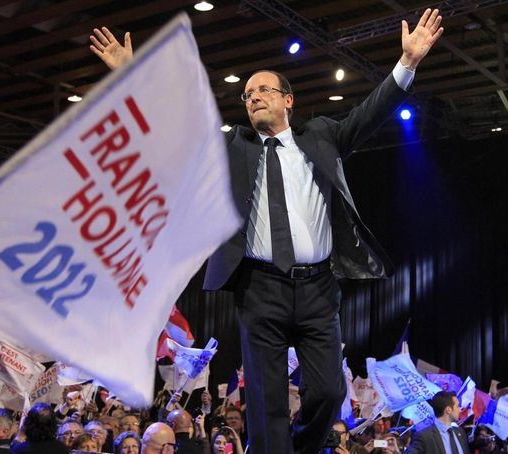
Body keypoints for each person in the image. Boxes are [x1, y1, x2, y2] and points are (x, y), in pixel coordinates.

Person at [89, 8, 444, 454]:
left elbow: (371, 112)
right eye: (247, 93)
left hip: (317, 289)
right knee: (265, 401)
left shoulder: (322, 136)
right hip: (260, 289)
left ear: (287, 100)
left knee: (330, 392)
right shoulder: (232, 146)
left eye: (263, 90)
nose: (253, 96)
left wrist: (407, 62)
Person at [405, 391, 470, 454]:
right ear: (448, 410)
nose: (460, 409)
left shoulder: (461, 432)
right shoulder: (424, 436)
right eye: (457, 406)